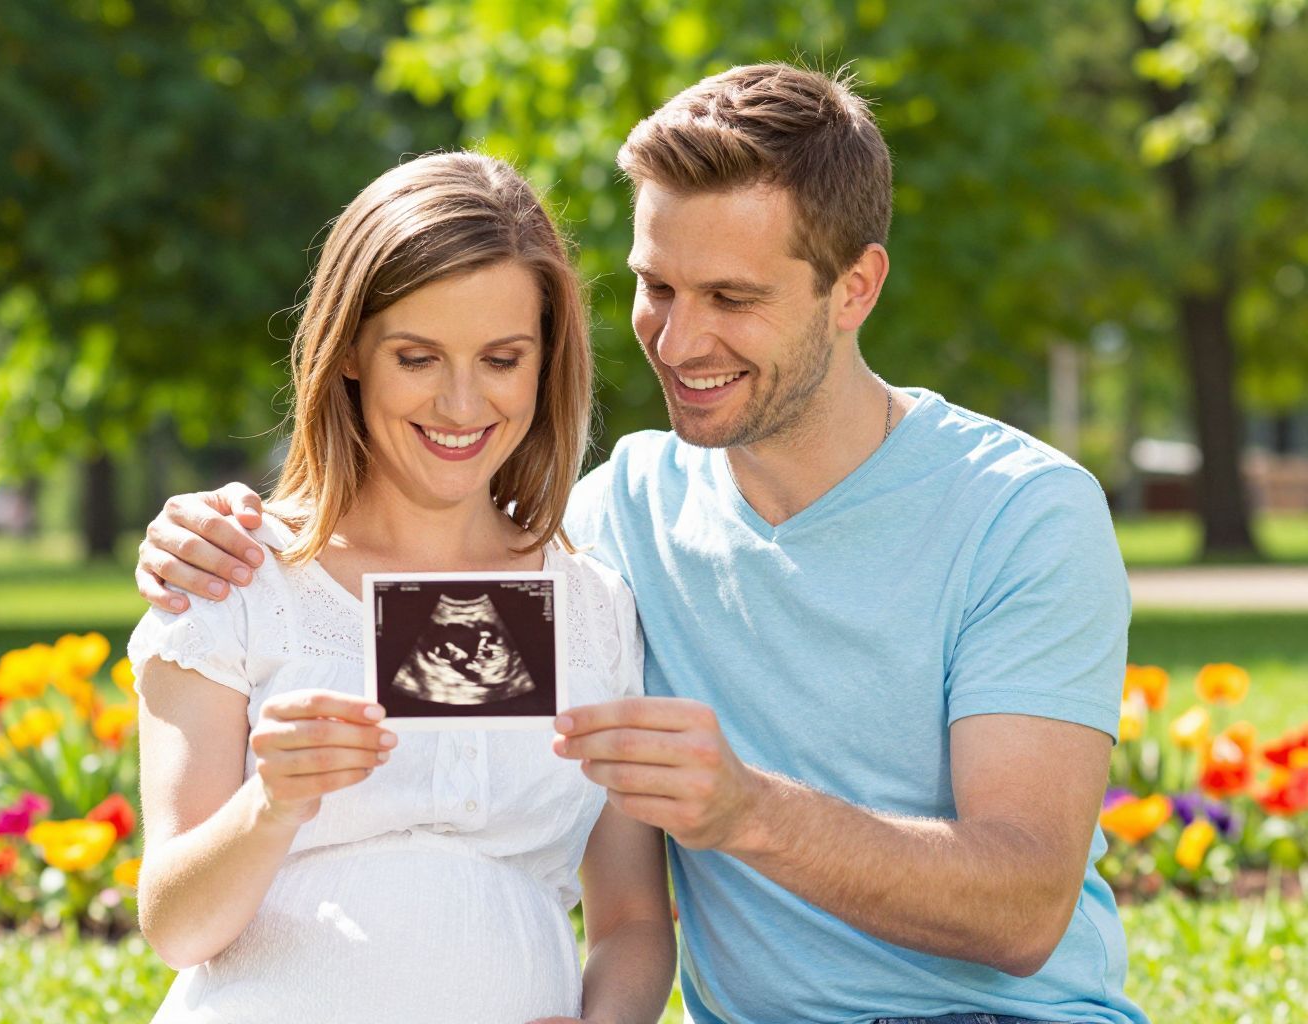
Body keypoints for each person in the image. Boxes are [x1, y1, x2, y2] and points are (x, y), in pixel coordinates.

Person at [136, 65, 1148, 1024]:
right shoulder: (617, 524)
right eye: (657, 286)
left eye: (732, 298)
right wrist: (210, 538)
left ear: (855, 287)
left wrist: (747, 812)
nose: (677, 340)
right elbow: (423, 636)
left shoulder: (1020, 514)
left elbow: (1023, 911)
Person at [126, 150, 675, 1024]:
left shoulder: (592, 607)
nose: (460, 404)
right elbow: (176, 928)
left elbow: (634, 920)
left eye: (502, 359)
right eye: (417, 357)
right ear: (350, 352)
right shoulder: (235, 574)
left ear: (546, 361)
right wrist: (270, 804)